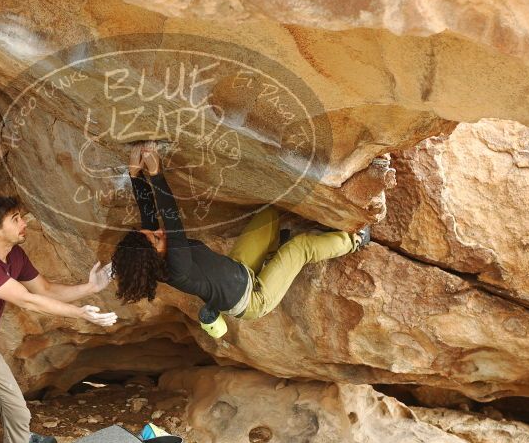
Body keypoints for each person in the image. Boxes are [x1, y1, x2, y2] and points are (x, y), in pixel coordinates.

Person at [112, 141, 370, 338]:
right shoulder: (177, 268)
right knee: (299, 247)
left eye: (151, 234)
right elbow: (171, 218)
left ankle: (272, 255)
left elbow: (148, 213)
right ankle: (355, 240)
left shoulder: (153, 255)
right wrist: (156, 173)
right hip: (254, 299)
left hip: (240, 269)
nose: (158, 233)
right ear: (155, 253)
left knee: (269, 215)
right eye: (156, 239)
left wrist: (135, 175)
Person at [0, 195, 117, 443]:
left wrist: (91, 287)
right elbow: (28, 300)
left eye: (21, 217)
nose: (23, 222)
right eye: (15, 219)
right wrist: (80, 313)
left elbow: (45, 290)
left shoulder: (16, 256)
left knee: (18, 412)